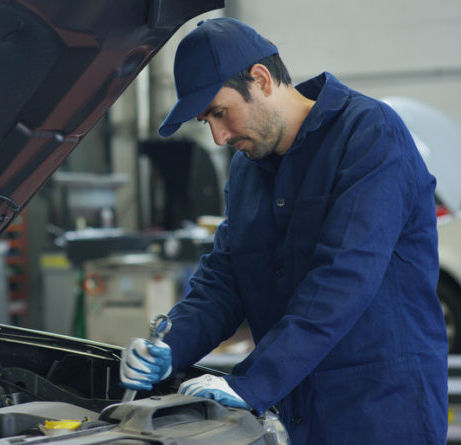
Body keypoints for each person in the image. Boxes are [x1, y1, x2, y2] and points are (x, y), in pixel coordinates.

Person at [119, 17, 448, 444]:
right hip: (298, 411)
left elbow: (343, 276)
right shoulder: (247, 171)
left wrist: (253, 382)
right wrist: (171, 347)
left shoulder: (369, 135)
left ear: (260, 79)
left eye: (220, 113)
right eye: (207, 122)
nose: (218, 137)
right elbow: (224, 279)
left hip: (380, 411)